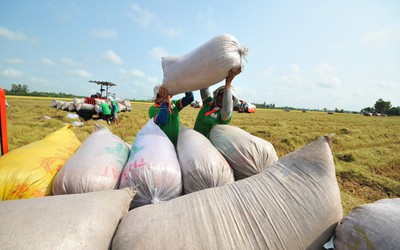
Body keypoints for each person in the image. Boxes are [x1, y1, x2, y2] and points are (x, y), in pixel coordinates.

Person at [194, 68, 241, 138]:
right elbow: (204, 87)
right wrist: (212, 71)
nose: (222, 98)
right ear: (216, 95)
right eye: (221, 94)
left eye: (226, 97)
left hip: (207, 146)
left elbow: (227, 108)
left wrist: (228, 83)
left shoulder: (225, 115)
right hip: (194, 140)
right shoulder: (208, 102)